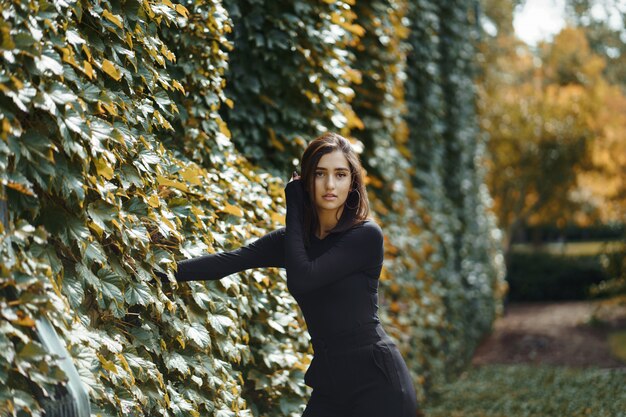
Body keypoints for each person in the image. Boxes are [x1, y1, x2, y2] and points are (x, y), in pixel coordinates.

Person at [161, 132, 419, 416]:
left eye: (341, 174)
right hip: (332, 384)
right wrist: (160, 273)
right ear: (306, 180)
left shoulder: (365, 236)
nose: (330, 184)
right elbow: (229, 262)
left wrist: (294, 205)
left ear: (353, 183)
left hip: (378, 385)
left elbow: (302, 279)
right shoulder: (296, 242)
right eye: (320, 174)